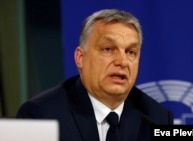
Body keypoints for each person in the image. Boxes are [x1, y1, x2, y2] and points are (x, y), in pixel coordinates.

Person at [16, 9, 173, 141]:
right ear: (80, 58)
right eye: (108, 49)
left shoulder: (157, 117)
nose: (122, 61)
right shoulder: (42, 115)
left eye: (131, 52)